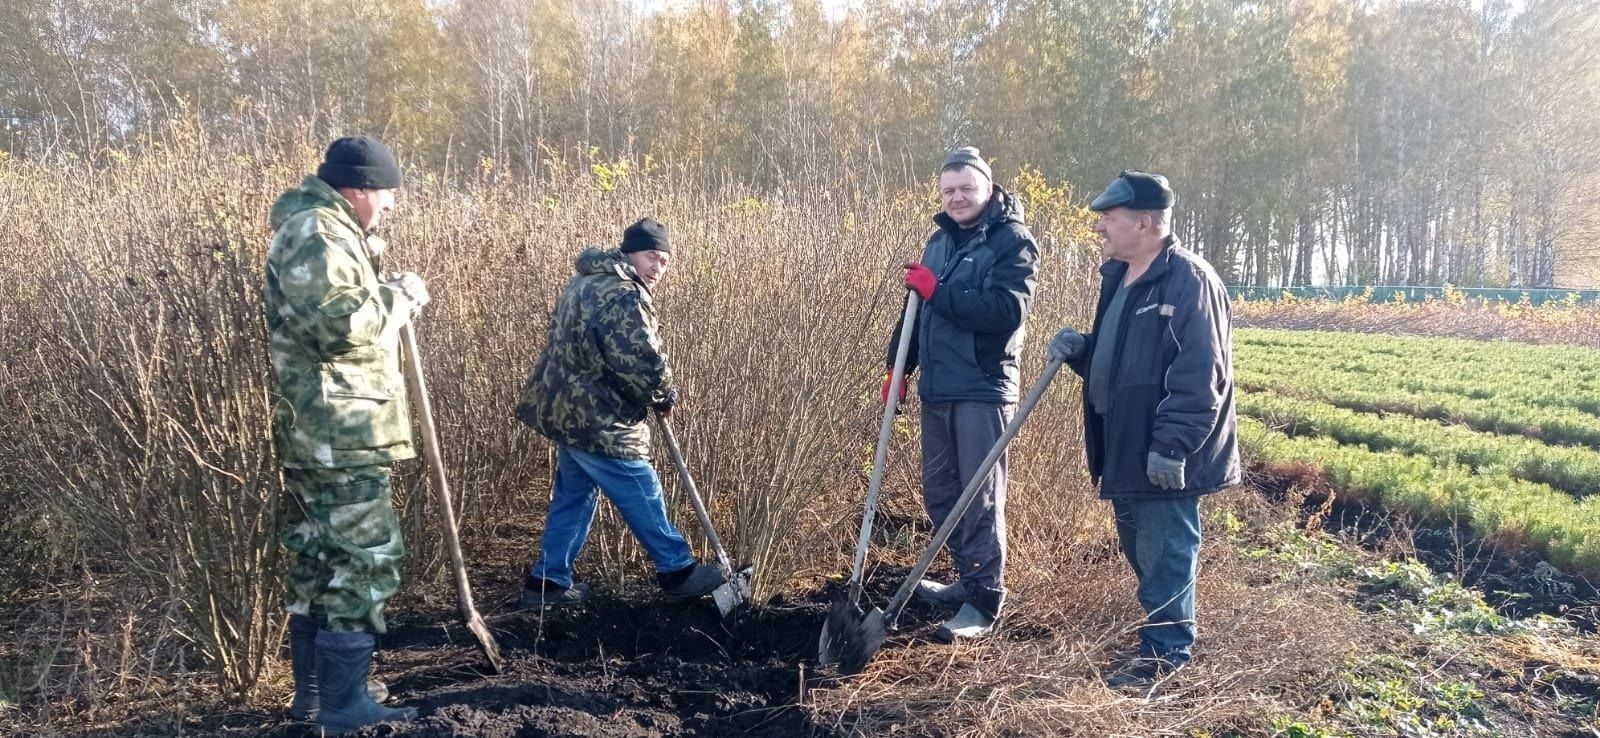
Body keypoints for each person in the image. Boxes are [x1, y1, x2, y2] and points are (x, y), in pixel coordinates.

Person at [1047, 170, 1240, 690]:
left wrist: (1171, 447)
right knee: (1141, 549)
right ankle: (1162, 635)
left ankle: (1166, 658)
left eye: (1109, 219)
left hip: (1162, 450)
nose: (1101, 228)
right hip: (1124, 443)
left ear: (1147, 222)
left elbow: (1201, 376)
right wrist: (1083, 351)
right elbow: (1127, 362)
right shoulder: (1121, 276)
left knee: (1165, 550)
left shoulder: (1187, 281)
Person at [264, 135, 423, 732]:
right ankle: (343, 706)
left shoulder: (326, 231)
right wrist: (398, 297)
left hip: (328, 431)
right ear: (358, 188)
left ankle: (315, 699)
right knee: (365, 560)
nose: (389, 205)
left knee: (321, 563)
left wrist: (372, 266)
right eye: (385, 193)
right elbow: (339, 325)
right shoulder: (318, 232)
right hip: (340, 432)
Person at [514, 217, 724, 609]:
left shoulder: (584, 282)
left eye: (664, 261)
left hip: (565, 409)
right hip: (598, 416)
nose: (658, 268)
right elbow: (640, 359)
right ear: (630, 253)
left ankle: (547, 583)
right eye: (651, 257)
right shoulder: (625, 294)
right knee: (640, 485)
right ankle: (676, 570)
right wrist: (663, 394)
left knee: (574, 495)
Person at [884, 146, 1041, 641]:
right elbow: (917, 311)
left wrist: (939, 292)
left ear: (988, 188)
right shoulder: (939, 243)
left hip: (983, 386)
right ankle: (966, 577)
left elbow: (1004, 312)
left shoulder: (1012, 242)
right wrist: (899, 365)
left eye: (965, 188)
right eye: (948, 190)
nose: (956, 198)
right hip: (940, 384)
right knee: (942, 495)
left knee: (979, 498)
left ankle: (984, 601)